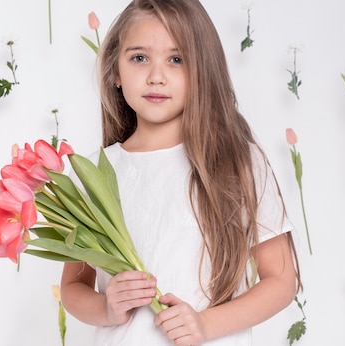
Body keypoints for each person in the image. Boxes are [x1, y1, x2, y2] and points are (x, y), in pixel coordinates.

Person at [60, 0, 302, 345]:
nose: (156, 75)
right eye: (139, 58)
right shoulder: (95, 173)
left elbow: (280, 279)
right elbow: (73, 287)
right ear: (115, 70)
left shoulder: (236, 162)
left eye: (177, 59)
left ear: (202, 70)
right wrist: (107, 309)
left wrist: (206, 324)